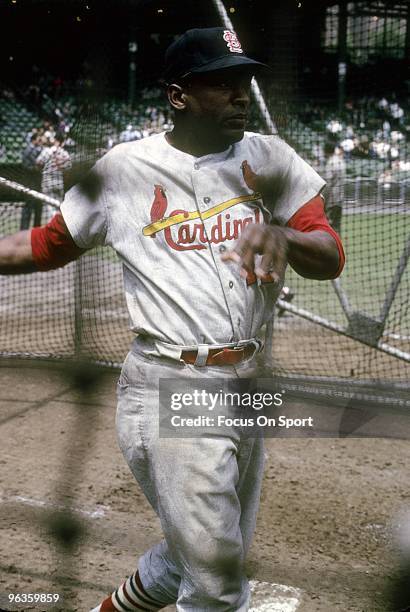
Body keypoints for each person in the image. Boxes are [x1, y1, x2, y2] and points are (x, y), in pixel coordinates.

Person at [0, 28, 345, 612]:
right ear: (178, 95)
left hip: (250, 381)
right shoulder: (124, 167)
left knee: (197, 554)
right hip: (172, 379)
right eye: (223, 83)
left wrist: (283, 232)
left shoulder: (271, 159)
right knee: (215, 583)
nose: (242, 96)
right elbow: (51, 243)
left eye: (245, 83)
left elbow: (330, 254)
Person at [36, 131, 72, 220]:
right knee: (58, 207)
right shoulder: (65, 154)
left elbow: (38, 163)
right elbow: (68, 169)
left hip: (48, 183)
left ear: (55, 140)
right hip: (59, 183)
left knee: (49, 210)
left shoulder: (48, 151)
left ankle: (52, 230)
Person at [20, 132, 43, 230]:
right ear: (34, 139)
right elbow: (27, 166)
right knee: (29, 205)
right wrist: (37, 168)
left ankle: (36, 227)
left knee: (38, 205)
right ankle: (24, 229)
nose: (40, 141)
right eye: (38, 139)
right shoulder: (28, 150)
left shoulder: (35, 149)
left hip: (35, 182)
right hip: (30, 182)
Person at [322, 141, 346, 234]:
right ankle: (338, 247)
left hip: (332, 200)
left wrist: (323, 201)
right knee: (337, 226)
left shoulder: (331, 163)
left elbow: (328, 184)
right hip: (340, 199)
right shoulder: (340, 161)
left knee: (329, 227)